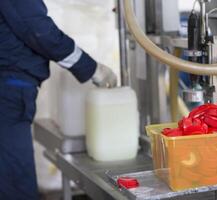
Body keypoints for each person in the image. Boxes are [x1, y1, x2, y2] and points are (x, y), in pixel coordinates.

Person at [0, 0, 117, 199]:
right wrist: (90, 67)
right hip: (8, 91)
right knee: (15, 182)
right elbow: (38, 30)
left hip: (11, 88)